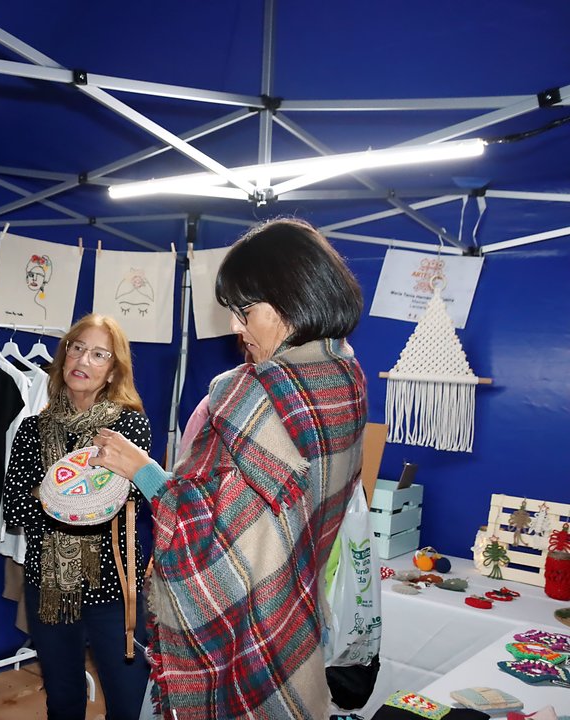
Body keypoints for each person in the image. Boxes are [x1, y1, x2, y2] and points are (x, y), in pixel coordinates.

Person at [91, 218, 367, 720]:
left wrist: (146, 471)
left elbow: (213, 540)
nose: (237, 328)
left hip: (245, 634)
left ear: (293, 297)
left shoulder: (252, 395)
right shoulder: (345, 377)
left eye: (245, 311)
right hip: (297, 617)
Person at [2, 312, 152, 720]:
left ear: (112, 371)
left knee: (127, 701)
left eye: (98, 354)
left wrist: (49, 492)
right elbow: (14, 507)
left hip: (113, 588)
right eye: (77, 348)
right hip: (48, 587)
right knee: (63, 698)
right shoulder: (32, 429)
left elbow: (116, 503)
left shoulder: (128, 429)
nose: (83, 361)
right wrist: (78, 496)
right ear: (64, 355)